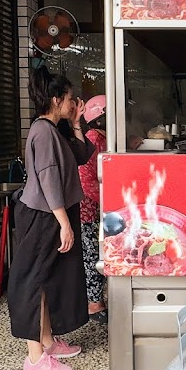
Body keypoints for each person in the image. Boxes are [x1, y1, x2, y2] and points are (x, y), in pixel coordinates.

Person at [8, 66, 95, 370]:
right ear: (57, 99)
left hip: (55, 213)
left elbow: (83, 154)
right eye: (70, 99)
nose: (74, 103)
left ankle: (47, 342)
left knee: (47, 280)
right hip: (44, 216)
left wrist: (75, 123)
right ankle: (34, 360)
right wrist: (64, 223)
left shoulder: (55, 129)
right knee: (31, 281)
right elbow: (48, 181)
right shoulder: (42, 132)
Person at [78, 95, 108, 324]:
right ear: (100, 118)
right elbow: (86, 177)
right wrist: (106, 200)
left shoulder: (102, 137)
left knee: (96, 252)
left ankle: (96, 300)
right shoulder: (93, 137)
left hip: (96, 206)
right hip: (88, 207)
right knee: (91, 254)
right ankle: (93, 304)